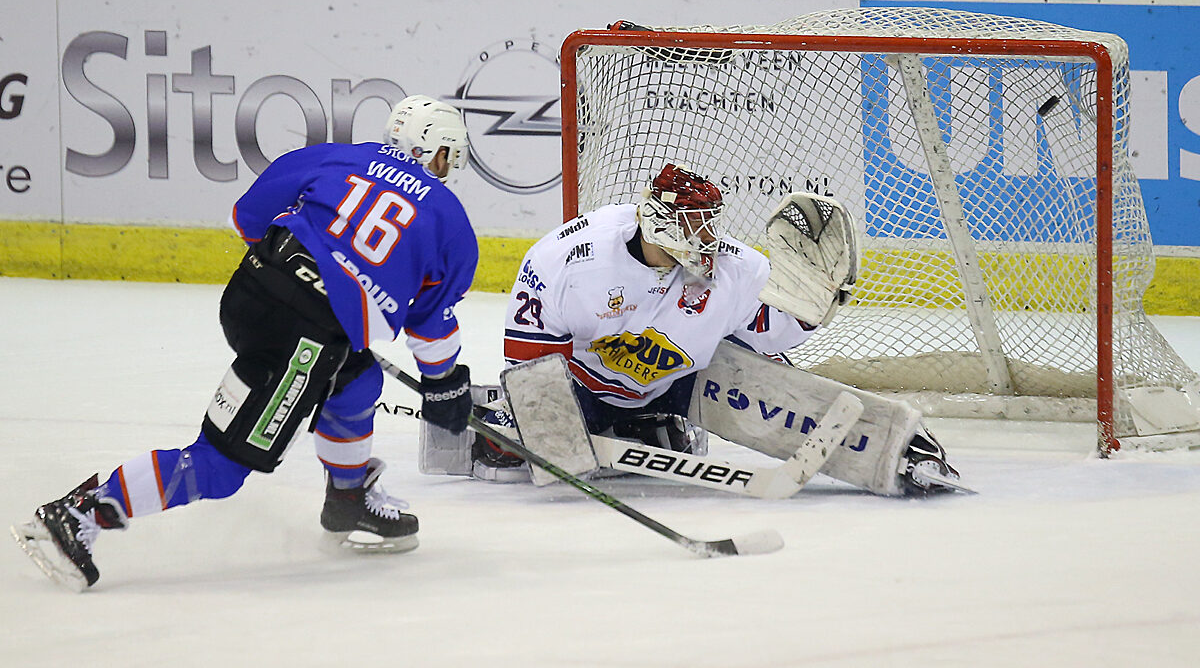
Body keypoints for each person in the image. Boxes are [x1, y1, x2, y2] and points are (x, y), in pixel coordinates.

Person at [12, 95, 478, 591]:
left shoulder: (340, 156)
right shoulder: (449, 220)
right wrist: (445, 384)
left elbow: (247, 217)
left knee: (356, 378)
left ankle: (347, 499)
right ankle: (83, 513)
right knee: (220, 466)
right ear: (440, 154)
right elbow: (429, 328)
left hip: (249, 294)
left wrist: (318, 274)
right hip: (303, 338)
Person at [473, 162, 958, 495]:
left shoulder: (729, 267)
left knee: (769, 381)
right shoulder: (569, 261)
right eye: (696, 224)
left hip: (682, 380)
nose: (709, 237)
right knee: (530, 441)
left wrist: (812, 308)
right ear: (661, 223)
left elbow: (767, 330)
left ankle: (895, 449)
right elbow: (530, 357)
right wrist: (542, 421)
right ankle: (521, 420)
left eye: (710, 223)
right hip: (585, 385)